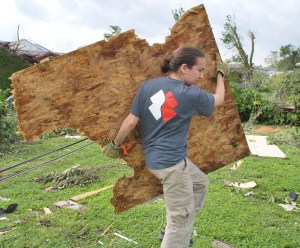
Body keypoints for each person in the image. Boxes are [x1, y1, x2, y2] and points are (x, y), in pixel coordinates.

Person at [102, 45, 225, 248]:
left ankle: (174, 227)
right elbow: (219, 99)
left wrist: (115, 144)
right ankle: (176, 229)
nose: (202, 76)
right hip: (172, 165)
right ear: (184, 68)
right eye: (200, 70)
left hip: (157, 160)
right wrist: (221, 75)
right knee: (180, 222)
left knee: (200, 183)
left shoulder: (148, 86)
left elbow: (131, 121)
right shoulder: (190, 94)